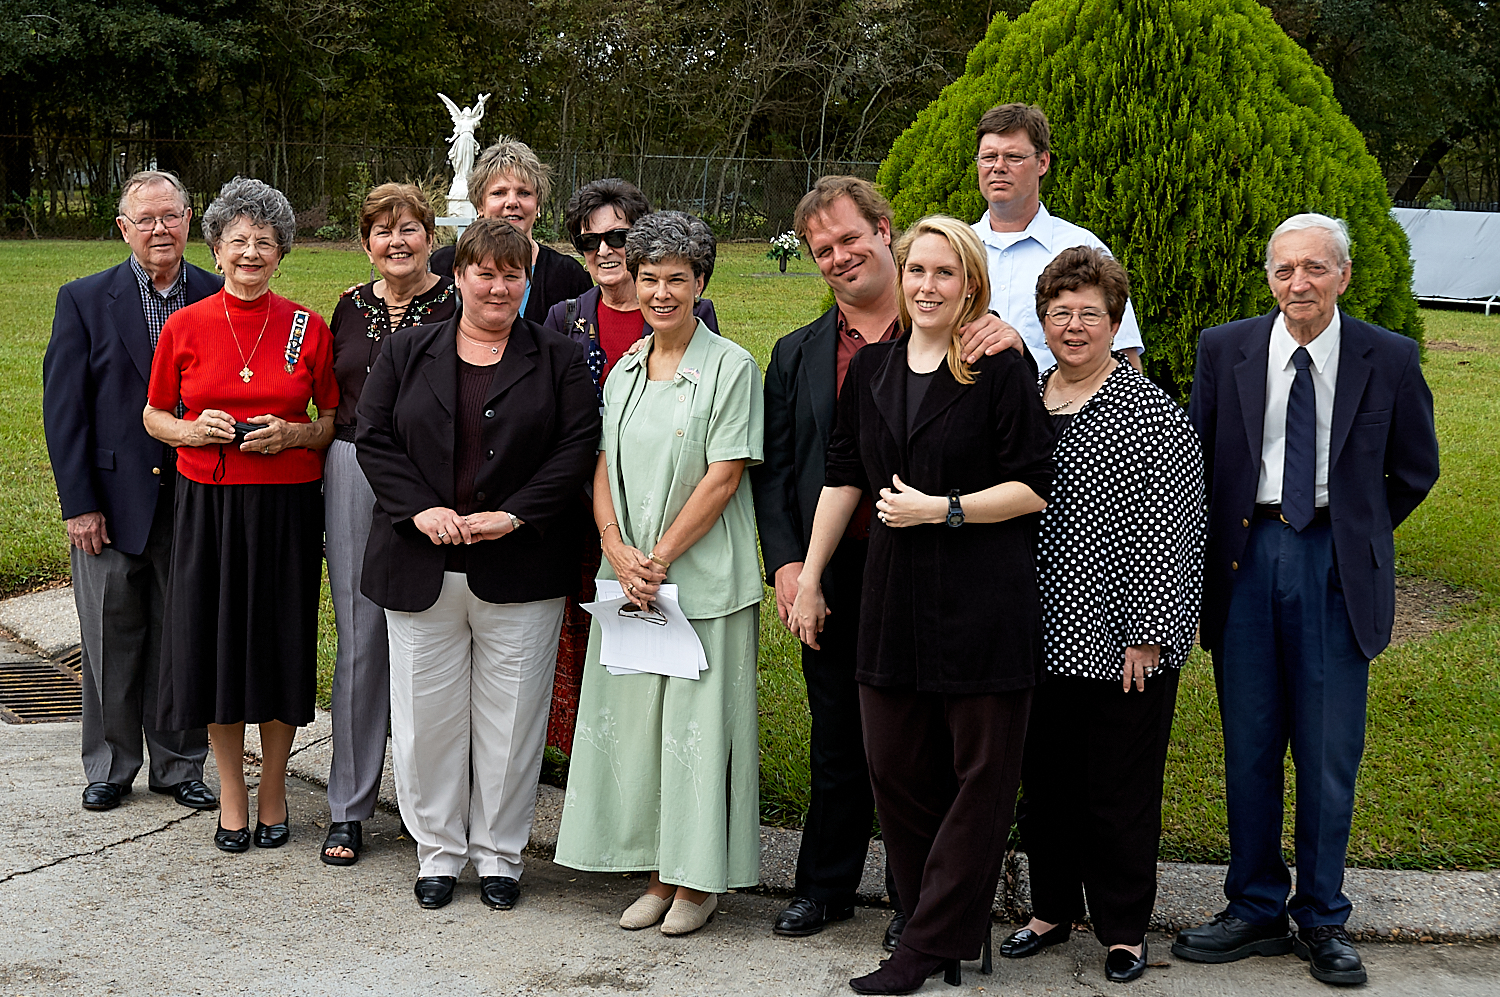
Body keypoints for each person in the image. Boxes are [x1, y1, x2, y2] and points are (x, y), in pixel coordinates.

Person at [751, 175, 1023, 947]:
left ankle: (920, 902)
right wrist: (790, 569)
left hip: (936, 573)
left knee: (925, 750)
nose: (840, 257)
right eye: (822, 249)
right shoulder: (799, 353)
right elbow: (779, 471)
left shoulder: (966, 337)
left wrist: (1001, 327)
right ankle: (825, 886)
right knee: (839, 738)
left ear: (885, 231)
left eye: (851, 238)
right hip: (833, 573)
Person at [790, 215, 1055, 994]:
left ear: (971, 284)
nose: (928, 286)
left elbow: (1034, 484)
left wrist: (946, 508)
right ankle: (935, 918)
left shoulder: (997, 369)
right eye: (917, 272)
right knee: (895, 770)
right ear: (899, 280)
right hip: (890, 599)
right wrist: (810, 575)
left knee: (980, 778)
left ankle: (925, 942)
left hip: (982, 602)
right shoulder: (870, 368)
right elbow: (844, 474)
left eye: (946, 273)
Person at [1173, 214, 1439, 987]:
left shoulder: (1387, 357)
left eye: (1316, 268)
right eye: (1285, 269)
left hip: (1331, 563)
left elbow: (1414, 468)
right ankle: (1254, 905)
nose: (1299, 284)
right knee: (1250, 741)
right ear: (1269, 277)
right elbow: (1205, 451)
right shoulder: (1224, 348)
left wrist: (1355, 533)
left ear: (1344, 276)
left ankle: (1322, 915)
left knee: (1326, 752)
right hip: (1246, 557)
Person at [356, 218, 599, 911]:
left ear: (527, 280)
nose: (497, 285)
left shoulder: (555, 357)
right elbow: (372, 438)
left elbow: (576, 447)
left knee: (511, 722)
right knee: (427, 719)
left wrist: (515, 513)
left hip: (520, 565)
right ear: (457, 276)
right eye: (483, 272)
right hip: (420, 563)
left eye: (511, 273)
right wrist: (419, 510)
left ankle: (499, 855)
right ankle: (436, 851)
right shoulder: (406, 352)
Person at [554, 211, 764, 938]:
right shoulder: (624, 368)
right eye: (650, 279)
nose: (662, 292)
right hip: (635, 583)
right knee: (641, 731)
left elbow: (724, 474)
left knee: (697, 733)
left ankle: (696, 881)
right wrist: (616, 547)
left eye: (678, 278)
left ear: (701, 282)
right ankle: (653, 872)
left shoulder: (732, 366)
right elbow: (603, 463)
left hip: (700, 584)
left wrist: (660, 557)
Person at [1000, 247, 1205, 984]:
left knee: (1118, 787)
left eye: (1090, 312)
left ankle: (1123, 928)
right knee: (1045, 778)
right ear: (1043, 322)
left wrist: (1149, 632)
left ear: (1116, 322)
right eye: (1060, 312)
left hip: (1121, 637)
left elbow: (1174, 525)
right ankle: (1050, 909)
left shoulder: (1150, 410)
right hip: (1032, 631)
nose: (1074, 325)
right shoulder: (1023, 395)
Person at [144, 177, 338, 853]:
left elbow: (332, 419)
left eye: (265, 240)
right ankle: (231, 792)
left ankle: (276, 787)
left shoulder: (306, 327)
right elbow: (153, 413)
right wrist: (189, 432)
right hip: (209, 504)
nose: (251, 251)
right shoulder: (185, 324)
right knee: (216, 646)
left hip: (285, 508)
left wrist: (295, 434)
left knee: (279, 643)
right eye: (238, 240)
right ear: (217, 249)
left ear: (281, 251)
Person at [42, 170, 220, 814]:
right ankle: (111, 764)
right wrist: (79, 504)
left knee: (183, 636)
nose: (159, 229)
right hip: (111, 506)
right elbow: (65, 413)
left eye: (170, 215)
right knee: (111, 639)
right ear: (124, 228)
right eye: (145, 219)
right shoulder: (85, 299)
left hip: (197, 501)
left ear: (189, 220)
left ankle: (180, 764)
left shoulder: (217, 293)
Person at [320, 183, 458, 866]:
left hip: (432, 476)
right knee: (361, 634)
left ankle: (425, 807)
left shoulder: (457, 301)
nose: (396, 241)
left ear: (429, 235)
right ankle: (348, 806)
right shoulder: (349, 306)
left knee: (427, 635)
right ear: (365, 241)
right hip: (351, 469)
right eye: (382, 231)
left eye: (408, 229)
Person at [969, 103, 1145, 373]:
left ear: (1042, 163)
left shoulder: (1082, 249)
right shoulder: (956, 251)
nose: (998, 167)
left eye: (1013, 157)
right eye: (988, 156)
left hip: (1058, 411)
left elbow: (1124, 358)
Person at [544, 178, 720, 398]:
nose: (603, 250)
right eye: (589, 241)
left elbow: (710, 389)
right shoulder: (563, 318)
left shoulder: (692, 313)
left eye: (617, 238)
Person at [429, 136, 592, 323]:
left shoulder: (568, 276)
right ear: (479, 205)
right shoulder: (444, 266)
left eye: (524, 193)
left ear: (538, 205)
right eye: (499, 193)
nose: (512, 202)